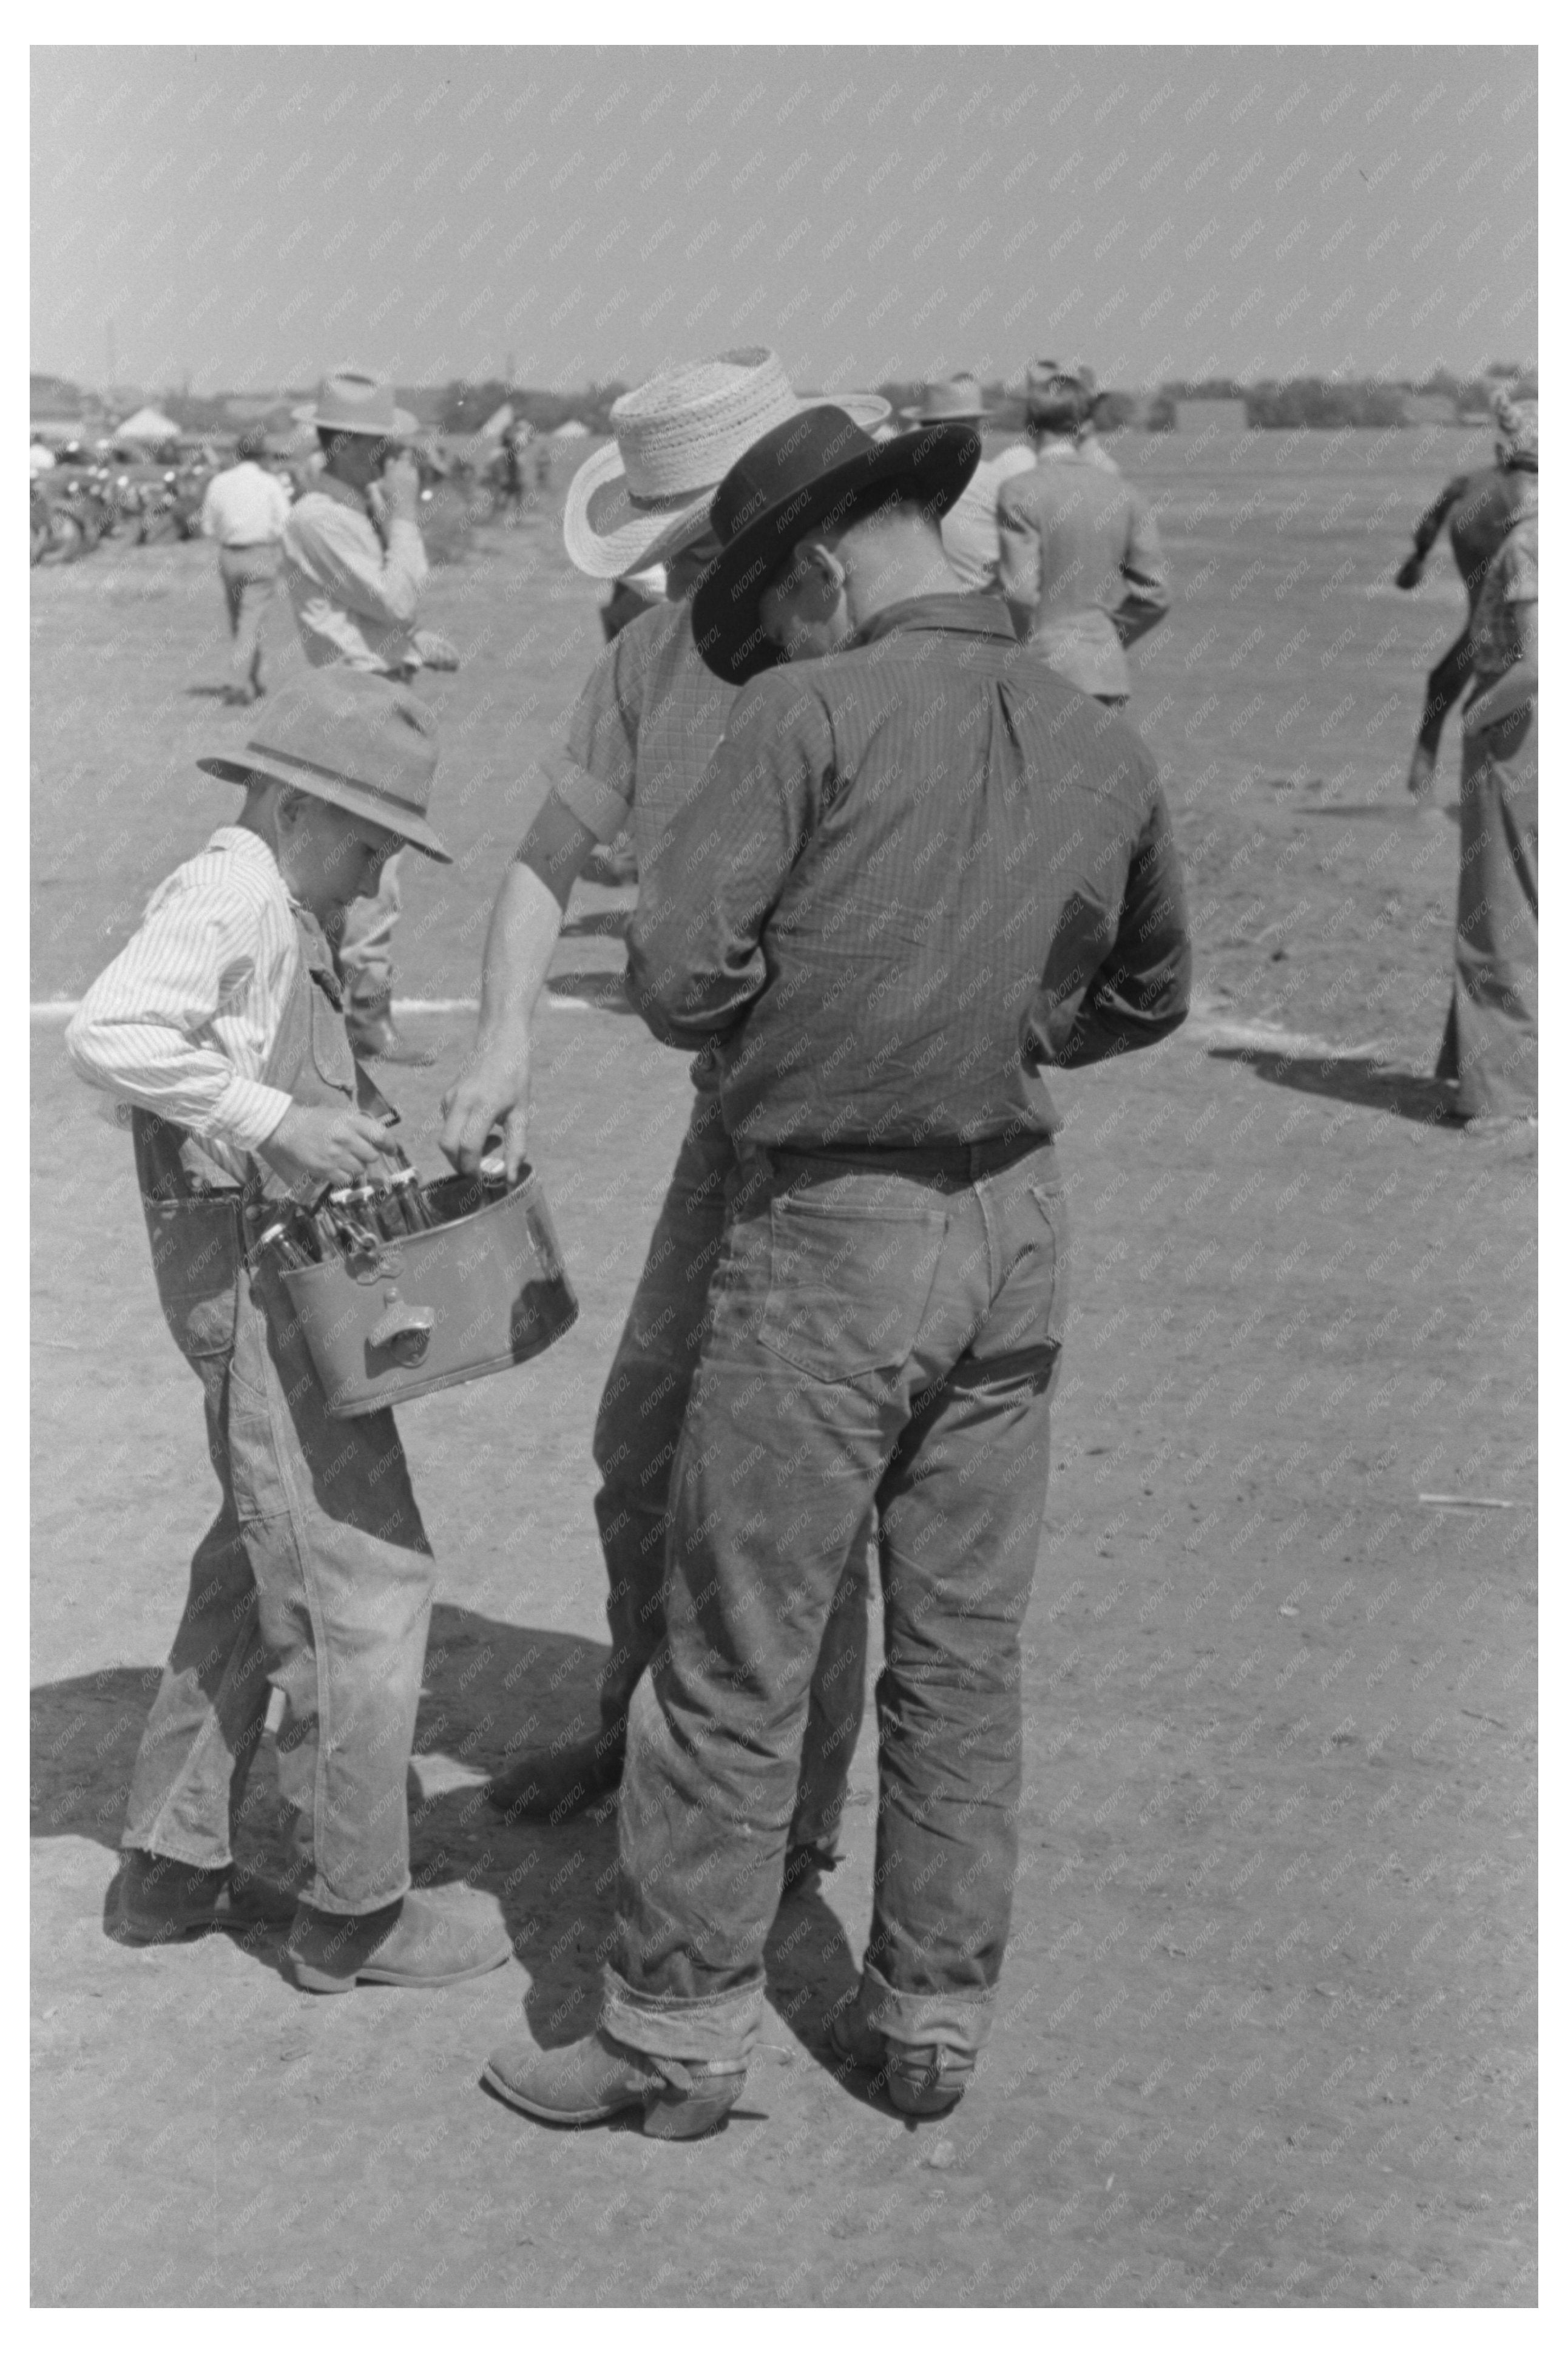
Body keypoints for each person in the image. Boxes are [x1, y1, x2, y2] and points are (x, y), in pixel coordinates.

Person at [480, 403, 1192, 2139]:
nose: (769, 642)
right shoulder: (1096, 726)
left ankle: (673, 2040)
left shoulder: (808, 710)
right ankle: (932, 2013)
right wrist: (999, 1029)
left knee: (737, 1644)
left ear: (814, 568)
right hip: (1015, 1231)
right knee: (961, 1645)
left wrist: (836, 1026)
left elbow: (677, 976)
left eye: (767, 605)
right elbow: (1153, 993)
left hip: (827, 1235)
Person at [441, 351, 889, 1877]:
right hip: (731, 1112)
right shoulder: (646, 666)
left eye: (713, 547)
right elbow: (539, 851)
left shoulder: (872, 650)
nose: (702, 579)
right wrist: (501, 1043)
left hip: (862, 1130)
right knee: (645, 1443)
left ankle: (794, 1820)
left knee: (798, 1487)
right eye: (684, 554)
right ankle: (638, 1714)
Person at [65, 672, 513, 1994]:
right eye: (369, 846)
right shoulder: (240, 889)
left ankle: (172, 1860)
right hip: (251, 1272)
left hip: (256, 1259)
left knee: (254, 1546)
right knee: (358, 1574)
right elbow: (112, 1030)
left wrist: (339, 1127)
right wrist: (282, 1126)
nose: (375, 882)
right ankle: (352, 1908)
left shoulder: (275, 897)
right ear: (296, 802)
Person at [282, 368, 456, 1065]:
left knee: (368, 859)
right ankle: (360, 1016)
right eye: (384, 449)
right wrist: (407, 512)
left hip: (369, 688)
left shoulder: (344, 510)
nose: (393, 462)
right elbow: (396, 597)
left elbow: (364, 615)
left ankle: (346, 1011)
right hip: (356, 701)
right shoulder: (322, 517)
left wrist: (409, 648)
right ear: (351, 446)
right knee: (368, 861)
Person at [1434, 394, 1538, 1129]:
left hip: (1516, 735)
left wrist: (1473, 716)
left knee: (1501, 915)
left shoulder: (1529, 540)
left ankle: (1507, 1097)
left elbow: (1535, 663)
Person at [997, 360, 1171, 705]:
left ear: (1029, 424)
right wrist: (1103, 638)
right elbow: (1155, 594)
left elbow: (1020, 595)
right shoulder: (1123, 491)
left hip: (1044, 674)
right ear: (1081, 426)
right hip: (1107, 676)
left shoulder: (1018, 491)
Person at [1396, 396, 1538, 797]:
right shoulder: (1525, 541)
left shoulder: (1525, 537)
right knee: (1490, 638)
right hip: (1507, 722)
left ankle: (1422, 786)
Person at [904, 376, 1034, 591]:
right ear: (974, 427)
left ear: (923, 428)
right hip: (985, 607)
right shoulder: (998, 483)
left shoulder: (902, 487)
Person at [199, 428, 291, 706]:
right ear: (262, 455)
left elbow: (207, 526)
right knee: (249, 623)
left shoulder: (219, 482)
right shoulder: (270, 483)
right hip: (262, 553)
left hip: (230, 554)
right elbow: (286, 522)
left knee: (240, 622)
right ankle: (244, 682)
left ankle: (248, 680)